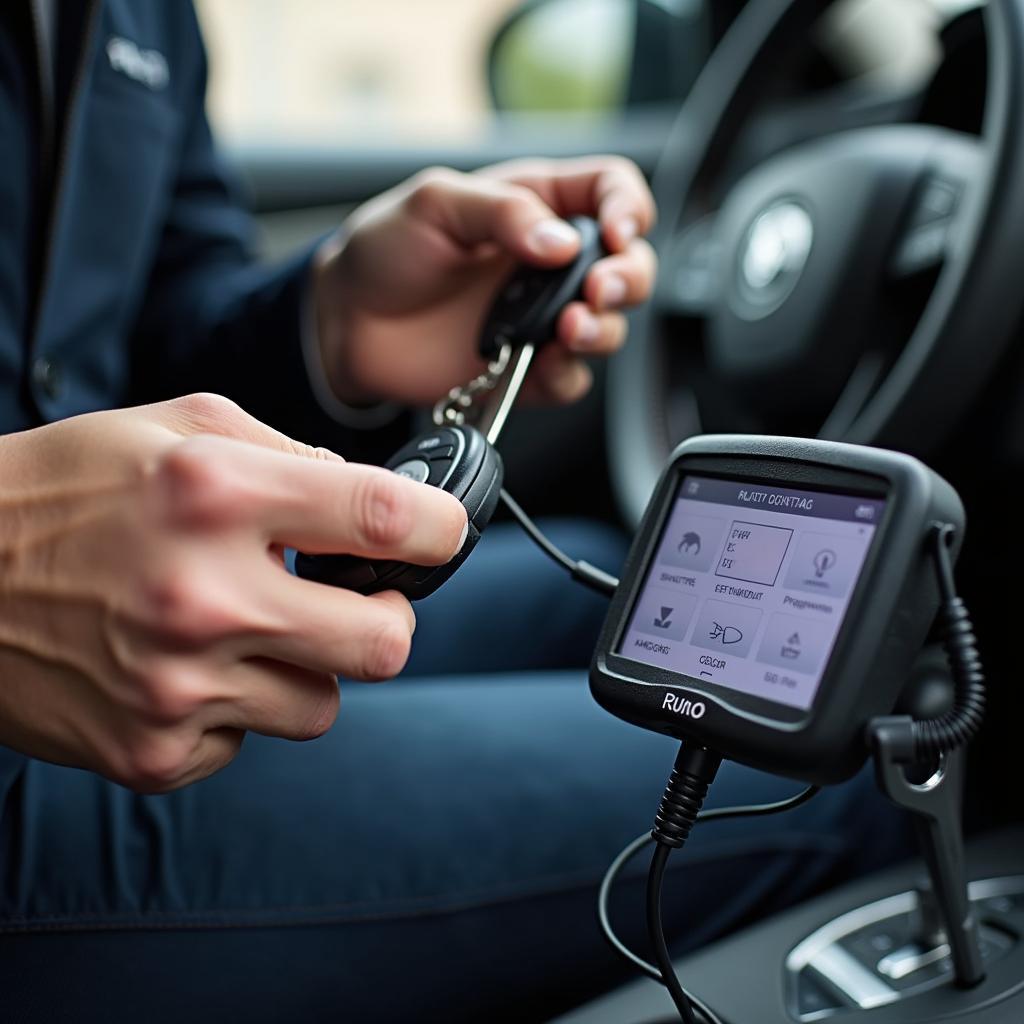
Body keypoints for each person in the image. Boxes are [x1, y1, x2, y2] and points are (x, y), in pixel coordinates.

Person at [0, 3, 910, 1021]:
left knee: (612, 593)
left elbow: (137, 338)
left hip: (126, 601)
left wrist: (335, 327)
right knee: (827, 783)